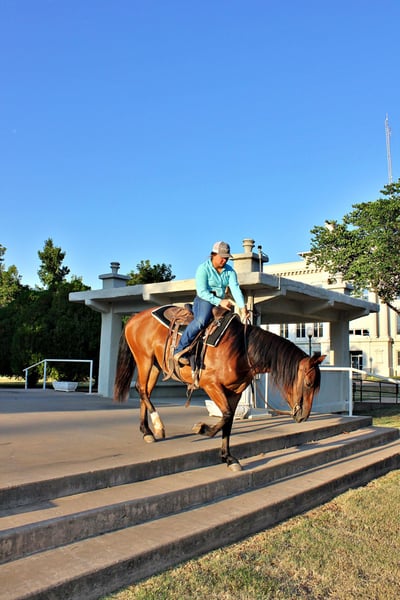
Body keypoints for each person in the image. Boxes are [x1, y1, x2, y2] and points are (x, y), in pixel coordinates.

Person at [174, 241, 249, 366]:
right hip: (205, 299)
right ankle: (179, 350)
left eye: (226, 258)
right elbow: (202, 292)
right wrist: (220, 301)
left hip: (220, 302)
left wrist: (243, 307)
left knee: (232, 324)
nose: (224, 260)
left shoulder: (230, 271)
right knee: (201, 321)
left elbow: (235, 289)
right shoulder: (203, 269)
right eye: (222, 257)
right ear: (213, 255)